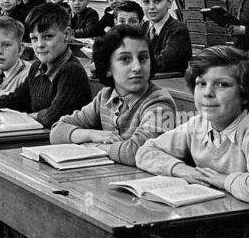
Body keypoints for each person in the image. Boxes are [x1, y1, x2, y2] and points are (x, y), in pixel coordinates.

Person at [135, 46, 249, 238]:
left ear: (245, 95)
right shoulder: (198, 123)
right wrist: (183, 170)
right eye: (201, 83)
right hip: (214, 230)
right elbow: (145, 151)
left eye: (222, 85)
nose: (208, 93)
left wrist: (221, 180)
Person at [0, 4, 91, 128]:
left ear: (67, 34)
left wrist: (21, 117)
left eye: (48, 37)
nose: (39, 45)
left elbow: (53, 116)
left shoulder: (71, 70)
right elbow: (15, 99)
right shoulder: (38, 67)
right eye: (34, 38)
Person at [50, 24, 177, 165]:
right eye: (125, 59)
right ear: (108, 68)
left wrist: (91, 147)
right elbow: (57, 131)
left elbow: (137, 152)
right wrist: (91, 134)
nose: (137, 67)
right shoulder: (106, 96)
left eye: (143, 58)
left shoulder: (160, 102)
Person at [139, 0, 192, 74]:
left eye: (157, 1)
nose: (151, 7)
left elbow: (164, 64)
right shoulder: (143, 28)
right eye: (146, 2)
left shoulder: (178, 30)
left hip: (171, 86)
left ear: (170, 2)